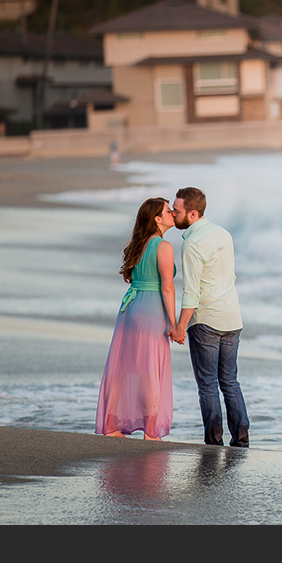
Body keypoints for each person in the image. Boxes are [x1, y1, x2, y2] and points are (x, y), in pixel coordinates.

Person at [169, 187, 250, 447]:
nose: (173, 213)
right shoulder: (222, 233)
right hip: (232, 317)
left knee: (207, 384)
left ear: (193, 214)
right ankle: (241, 438)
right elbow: (229, 276)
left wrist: (181, 327)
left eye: (177, 210)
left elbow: (192, 291)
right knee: (229, 381)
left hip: (206, 320)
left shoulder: (193, 244)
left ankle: (214, 442)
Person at [95, 198, 177, 440]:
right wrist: (173, 322)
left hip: (130, 308)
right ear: (157, 219)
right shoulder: (163, 246)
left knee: (123, 367)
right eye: (167, 210)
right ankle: (151, 431)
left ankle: (110, 426)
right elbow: (168, 287)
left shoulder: (139, 244)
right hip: (151, 309)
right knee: (151, 369)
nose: (172, 212)